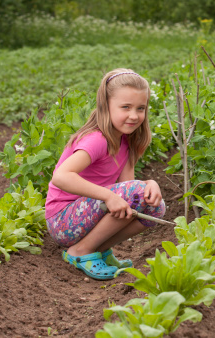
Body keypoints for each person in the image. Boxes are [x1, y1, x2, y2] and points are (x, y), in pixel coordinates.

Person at [45, 68, 166, 280]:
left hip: (85, 217)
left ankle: (96, 249)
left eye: (141, 108)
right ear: (106, 106)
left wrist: (150, 183)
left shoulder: (126, 142)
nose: (134, 115)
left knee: (154, 205)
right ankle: (80, 251)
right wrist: (108, 196)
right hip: (62, 220)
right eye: (125, 107)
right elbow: (61, 176)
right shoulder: (97, 139)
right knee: (136, 194)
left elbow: (129, 188)